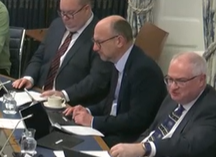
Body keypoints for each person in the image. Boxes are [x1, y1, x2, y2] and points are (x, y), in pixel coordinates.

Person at [62, 16, 165, 146]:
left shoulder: (143, 70)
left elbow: (136, 120)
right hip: (114, 130)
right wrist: (88, 111)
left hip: (128, 141)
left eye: (99, 42)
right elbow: (113, 101)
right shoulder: (118, 60)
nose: (94, 48)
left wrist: (93, 121)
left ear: (119, 41)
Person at [12, 0, 112, 106]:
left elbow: (97, 80)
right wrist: (29, 77)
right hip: (38, 96)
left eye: (70, 13)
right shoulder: (57, 25)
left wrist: (64, 94)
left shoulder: (101, 35)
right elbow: (39, 57)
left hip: (70, 105)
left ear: (86, 9)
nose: (65, 18)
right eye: (62, 12)